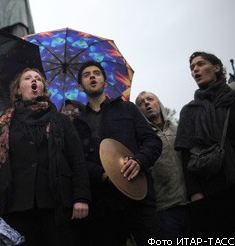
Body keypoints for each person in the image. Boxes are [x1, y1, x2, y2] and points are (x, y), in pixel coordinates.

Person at [0, 68, 90, 246]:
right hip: (16, 206)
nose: (34, 81)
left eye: (38, 79)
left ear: (42, 88)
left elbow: (77, 160)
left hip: (57, 206)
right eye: (28, 78)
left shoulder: (61, 120)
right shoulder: (4, 123)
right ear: (18, 89)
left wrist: (82, 197)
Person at [74, 60, 162, 246]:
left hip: (139, 197)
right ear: (81, 86)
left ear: (105, 82)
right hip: (103, 207)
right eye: (87, 74)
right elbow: (77, 160)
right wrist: (102, 174)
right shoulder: (76, 123)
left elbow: (152, 141)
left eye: (97, 73)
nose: (92, 76)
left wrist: (139, 161)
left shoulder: (127, 108)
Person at [175, 51, 235, 237]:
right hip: (210, 189)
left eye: (200, 64)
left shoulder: (232, 100)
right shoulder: (189, 111)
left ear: (216, 67)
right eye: (192, 68)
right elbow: (185, 155)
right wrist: (195, 193)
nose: (195, 70)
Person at [135, 91, 188, 240]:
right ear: (138, 111)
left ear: (159, 103)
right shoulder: (141, 141)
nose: (146, 103)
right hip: (164, 209)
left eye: (150, 99)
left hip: (190, 202)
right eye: (141, 103)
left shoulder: (178, 130)